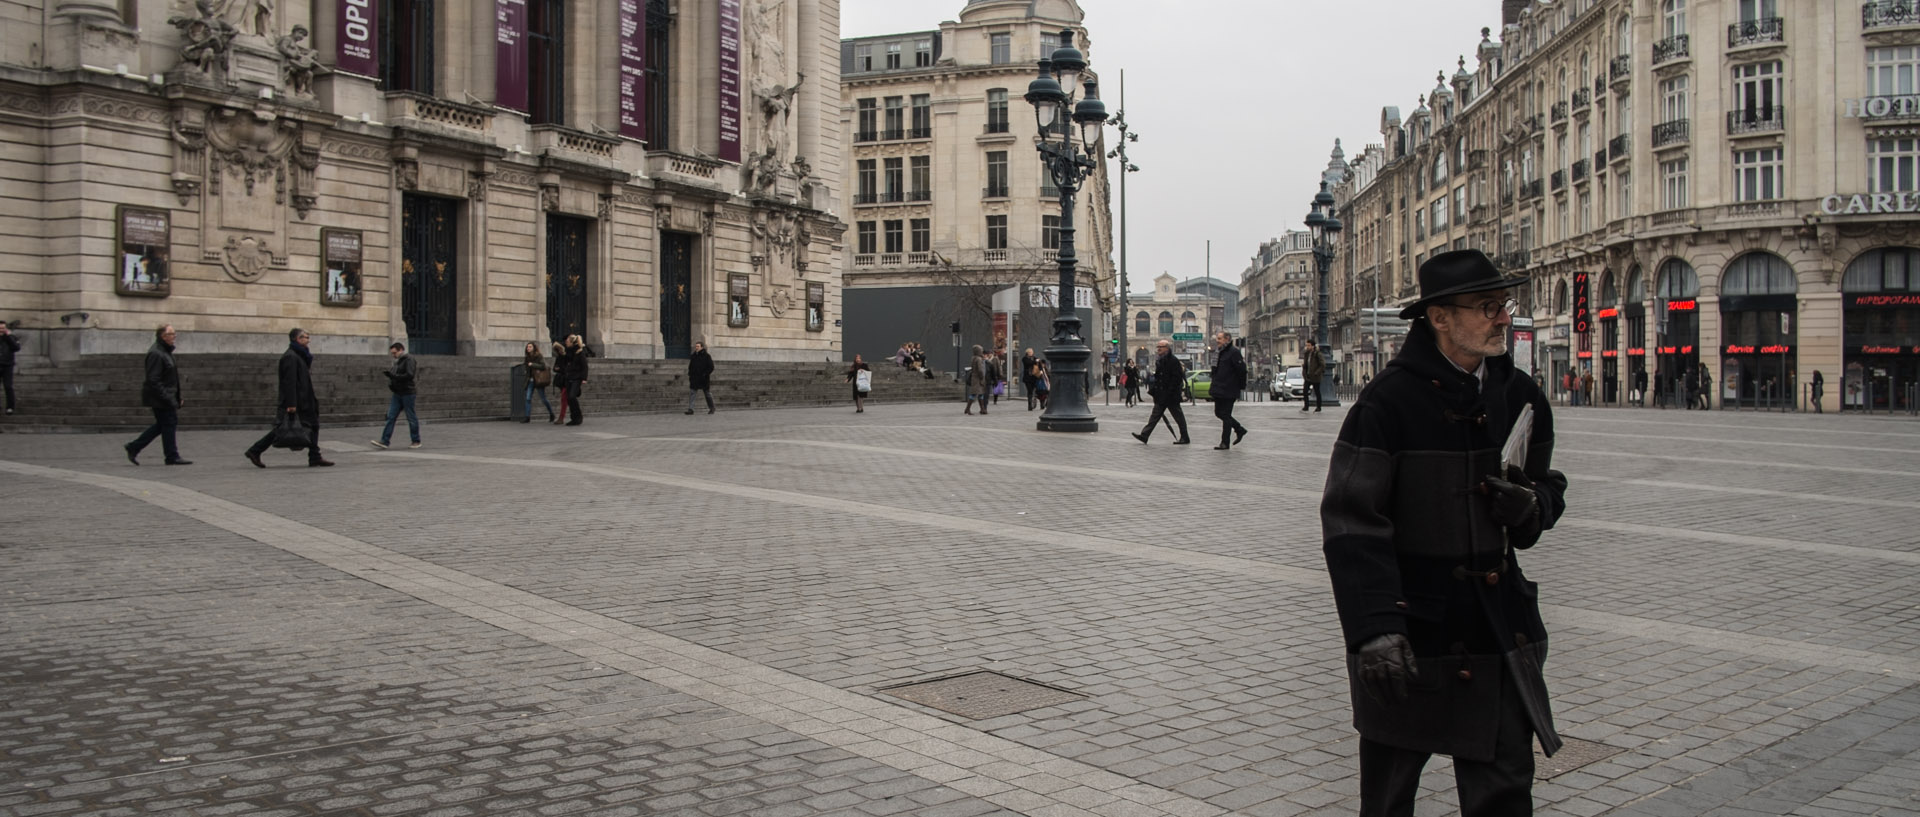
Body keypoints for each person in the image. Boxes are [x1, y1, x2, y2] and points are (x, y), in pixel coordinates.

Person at [1321, 249, 1568, 817]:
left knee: (1505, 791)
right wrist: (1375, 630)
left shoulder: (1520, 394)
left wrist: (1531, 506)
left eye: (1502, 305)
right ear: (1439, 317)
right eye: (1487, 307)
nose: (1503, 318)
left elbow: (1547, 484)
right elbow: (1349, 521)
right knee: (1389, 798)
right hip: (1411, 638)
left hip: (1497, 629)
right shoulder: (1387, 402)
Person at [245, 327, 333, 468]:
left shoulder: (301, 355)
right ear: (297, 339)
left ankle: (315, 456)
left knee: (313, 425)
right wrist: (291, 404)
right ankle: (255, 450)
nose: (308, 340)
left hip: (306, 398)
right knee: (284, 429)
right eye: (305, 337)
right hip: (298, 400)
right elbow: (289, 382)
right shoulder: (291, 357)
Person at [124, 324, 190, 465]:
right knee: (168, 423)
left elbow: (171, 379)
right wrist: (168, 398)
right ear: (163, 336)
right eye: (172, 334)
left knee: (163, 425)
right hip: (160, 398)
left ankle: (134, 447)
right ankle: (171, 455)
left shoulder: (164, 352)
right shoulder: (156, 353)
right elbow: (153, 380)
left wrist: (177, 397)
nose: (174, 337)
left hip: (165, 396)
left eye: (174, 334)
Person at [1131, 340, 1190, 445]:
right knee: (1155, 416)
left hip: (1171, 395)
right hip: (1162, 395)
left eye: (1161, 347)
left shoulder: (1173, 360)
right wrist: (1155, 392)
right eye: (1158, 347)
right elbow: (1158, 378)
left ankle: (1185, 437)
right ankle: (1144, 435)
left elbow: (1176, 379)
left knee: (1178, 417)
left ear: (1167, 348)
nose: (1158, 349)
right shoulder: (1160, 360)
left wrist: (1169, 392)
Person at [371, 341, 421, 449]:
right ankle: (385, 441)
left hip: (408, 392)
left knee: (411, 417)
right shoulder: (397, 361)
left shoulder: (409, 359)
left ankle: (416, 440)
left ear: (401, 350)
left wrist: (394, 376)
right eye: (392, 353)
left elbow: (410, 375)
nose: (393, 355)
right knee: (391, 416)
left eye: (395, 353)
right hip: (397, 393)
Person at [1210, 331, 1249, 450]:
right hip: (1218, 388)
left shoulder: (1233, 352)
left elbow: (1242, 370)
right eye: (1217, 338)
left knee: (1226, 415)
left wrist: (1240, 386)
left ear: (1227, 339)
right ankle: (1239, 429)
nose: (1217, 340)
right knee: (1218, 413)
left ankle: (1225, 442)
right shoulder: (1218, 352)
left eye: (1220, 338)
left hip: (1229, 389)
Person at [560, 334, 589, 425]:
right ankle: (574, 418)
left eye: (567, 341)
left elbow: (585, 366)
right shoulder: (567, 352)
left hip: (577, 377)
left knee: (572, 396)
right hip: (569, 377)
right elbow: (564, 363)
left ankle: (578, 417)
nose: (566, 343)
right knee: (569, 398)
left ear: (572, 342)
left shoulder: (579, 352)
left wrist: (584, 378)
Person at [523, 342, 554, 423]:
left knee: (543, 399)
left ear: (534, 348)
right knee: (528, 398)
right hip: (531, 380)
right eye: (527, 347)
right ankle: (527, 417)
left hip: (538, 380)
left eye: (530, 347)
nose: (528, 348)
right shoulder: (527, 357)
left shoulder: (538, 356)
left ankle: (551, 413)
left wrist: (532, 364)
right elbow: (527, 369)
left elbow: (543, 366)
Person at [687, 340, 715, 415]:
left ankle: (712, 408)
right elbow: (690, 366)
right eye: (696, 346)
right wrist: (690, 374)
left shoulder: (707, 356)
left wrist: (705, 374)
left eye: (698, 346)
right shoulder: (693, 356)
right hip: (694, 378)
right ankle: (691, 409)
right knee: (692, 393)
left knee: (707, 394)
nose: (696, 348)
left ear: (702, 347)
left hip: (703, 379)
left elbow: (711, 367)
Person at [964, 345, 991, 415]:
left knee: (980, 393)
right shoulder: (978, 359)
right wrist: (982, 377)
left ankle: (982, 409)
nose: (982, 352)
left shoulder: (974, 358)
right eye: (981, 350)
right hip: (978, 379)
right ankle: (967, 408)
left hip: (975, 377)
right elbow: (980, 370)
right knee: (974, 394)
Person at [1302, 338, 1326, 412]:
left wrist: (1317, 372)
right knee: (1305, 391)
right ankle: (1306, 406)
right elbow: (1306, 364)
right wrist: (1304, 370)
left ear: (1313, 346)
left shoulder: (1317, 353)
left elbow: (1322, 364)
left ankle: (1318, 407)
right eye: (1307, 345)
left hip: (1315, 376)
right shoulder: (1307, 353)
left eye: (1309, 345)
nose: (1307, 347)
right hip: (1308, 376)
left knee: (1317, 391)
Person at [550, 341, 572, 424]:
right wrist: (556, 368)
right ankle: (563, 417)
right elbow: (554, 368)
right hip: (562, 380)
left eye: (557, 349)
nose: (557, 351)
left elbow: (566, 368)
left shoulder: (566, 357)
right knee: (566, 399)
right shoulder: (559, 357)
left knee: (565, 398)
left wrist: (560, 369)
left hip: (566, 379)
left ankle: (562, 417)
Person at [0, 321, 18, 416]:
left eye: (3, 328)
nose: (1, 330)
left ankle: (10, 407)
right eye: (0, 328)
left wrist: (8, 337)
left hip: (8, 365)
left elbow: (16, 348)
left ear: (6, 328)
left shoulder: (12, 337)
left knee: (8, 386)